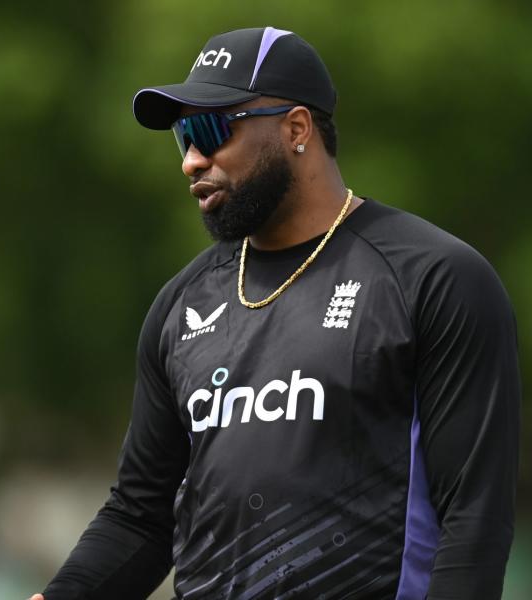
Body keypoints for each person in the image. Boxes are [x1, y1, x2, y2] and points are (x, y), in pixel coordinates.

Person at [32, 26, 520, 599]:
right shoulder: (182, 304)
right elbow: (142, 519)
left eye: (209, 130)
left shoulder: (432, 277)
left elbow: (474, 520)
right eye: (181, 137)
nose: (191, 160)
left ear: (296, 128)